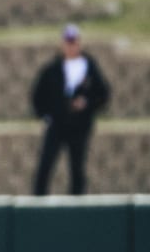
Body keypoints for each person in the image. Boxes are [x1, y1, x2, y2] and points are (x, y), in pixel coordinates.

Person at [31, 24, 111, 196]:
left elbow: (103, 94)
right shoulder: (52, 69)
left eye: (74, 42)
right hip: (57, 124)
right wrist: (47, 115)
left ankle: (76, 202)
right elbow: (38, 95)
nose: (71, 46)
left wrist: (87, 104)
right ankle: (37, 201)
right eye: (68, 42)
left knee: (77, 166)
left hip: (80, 125)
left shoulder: (89, 67)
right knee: (46, 164)